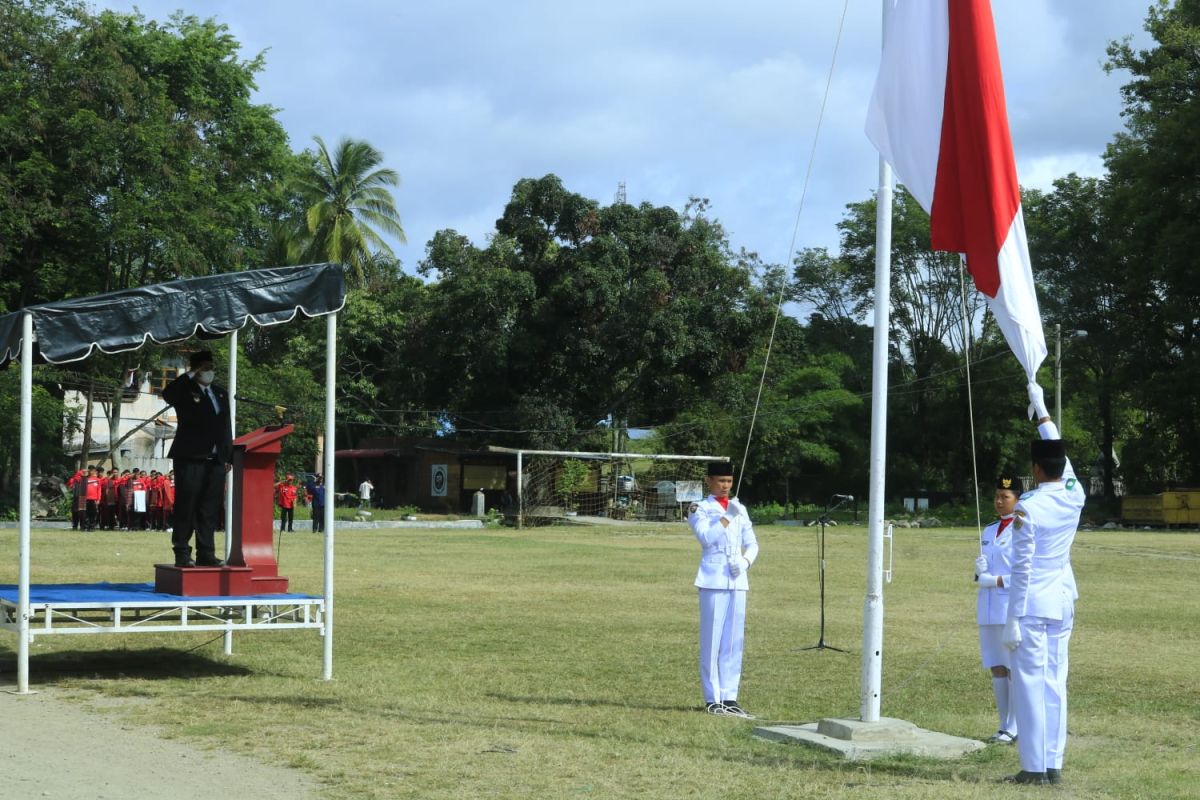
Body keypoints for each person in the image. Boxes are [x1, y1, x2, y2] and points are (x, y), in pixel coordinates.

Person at [1002, 382, 1084, 786]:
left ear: (1035, 470)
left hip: (1032, 605)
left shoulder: (1028, 509)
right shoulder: (1074, 494)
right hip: (1062, 601)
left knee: (1030, 684)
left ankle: (1033, 768)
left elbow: (1022, 568)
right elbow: (1061, 463)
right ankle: (1053, 762)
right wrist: (1043, 414)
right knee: (1056, 682)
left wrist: (1012, 617)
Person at [687, 461, 759, 718]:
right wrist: (728, 517)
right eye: (720, 481)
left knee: (733, 641)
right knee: (712, 641)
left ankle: (730, 696)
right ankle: (712, 698)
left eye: (729, 481)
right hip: (713, 579)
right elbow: (706, 538)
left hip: (737, 580)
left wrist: (746, 561)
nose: (725, 486)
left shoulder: (740, 507)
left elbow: (752, 543)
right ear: (709, 481)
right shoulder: (700, 508)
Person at [162, 350, 233, 567]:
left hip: (215, 459)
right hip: (190, 456)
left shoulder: (220, 393)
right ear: (196, 369)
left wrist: (227, 455)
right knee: (187, 505)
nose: (209, 372)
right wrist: (191, 374)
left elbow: (225, 426)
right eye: (205, 368)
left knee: (209, 508)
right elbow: (169, 394)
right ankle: (182, 552)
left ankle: (206, 553)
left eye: (211, 367)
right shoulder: (185, 390)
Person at [974, 473, 1021, 745]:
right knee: (996, 666)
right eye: (997, 497)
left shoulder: (1022, 529)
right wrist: (978, 572)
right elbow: (984, 572)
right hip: (988, 607)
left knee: (1012, 665)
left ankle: (1014, 725)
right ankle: (1003, 723)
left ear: (1017, 499)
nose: (999, 501)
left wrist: (996, 580)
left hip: (1008, 607)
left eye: (1006, 497)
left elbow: (1027, 574)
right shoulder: (989, 530)